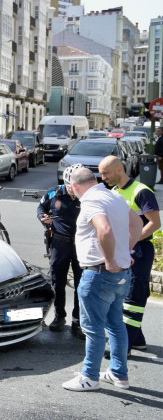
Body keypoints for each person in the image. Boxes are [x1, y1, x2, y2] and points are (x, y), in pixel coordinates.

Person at [62, 167, 142, 392]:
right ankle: (119, 374)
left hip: (99, 273)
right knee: (116, 325)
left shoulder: (91, 201)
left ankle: (89, 377)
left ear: (75, 187)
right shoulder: (113, 195)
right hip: (121, 274)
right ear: (95, 179)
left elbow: (104, 230)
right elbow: (137, 224)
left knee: (93, 329)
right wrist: (124, 253)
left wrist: (109, 260)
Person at [98, 155, 160, 353]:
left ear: (119, 169)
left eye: (106, 173)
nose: (103, 178)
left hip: (140, 250)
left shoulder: (141, 191)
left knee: (134, 295)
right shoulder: (115, 192)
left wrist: (130, 242)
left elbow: (155, 223)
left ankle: (123, 346)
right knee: (123, 294)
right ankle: (137, 338)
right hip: (124, 249)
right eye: (101, 174)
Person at [37, 164, 83, 337]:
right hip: (59, 244)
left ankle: (77, 321)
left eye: (77, 186)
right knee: (57, 282)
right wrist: (43, 218)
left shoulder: (87, 195)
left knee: (81, 285)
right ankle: (59, 316)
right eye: (72, 186)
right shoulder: (53, 192)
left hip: (81, 246)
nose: (74, 190)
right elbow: (41, 208)